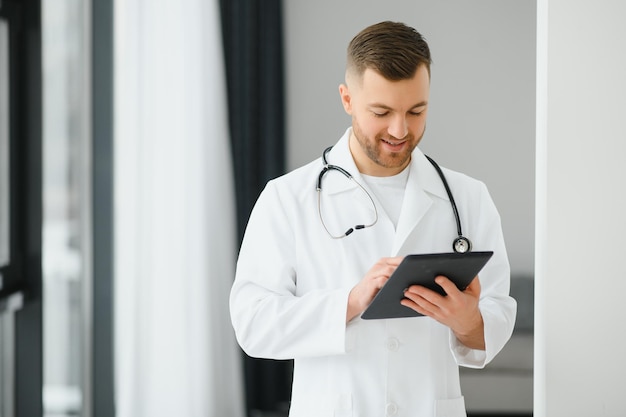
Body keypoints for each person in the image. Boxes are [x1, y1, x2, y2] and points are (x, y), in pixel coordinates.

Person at [230, 21, 516, 417]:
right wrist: (348, 302)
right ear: (347, 99)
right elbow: (252, 323)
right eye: (381, 112)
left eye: (416, 111)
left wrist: (469, 322)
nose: (400, 130)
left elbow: (497, 312)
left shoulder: (468, 198)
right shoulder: (287, 198)